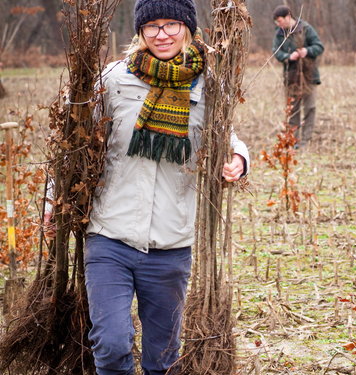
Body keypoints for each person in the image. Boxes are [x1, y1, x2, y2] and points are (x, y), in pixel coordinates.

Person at [83, 0, 250, 374]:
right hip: (110, 234)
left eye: (171, 24)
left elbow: (230, 138)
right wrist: (50, 202)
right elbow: (74, 147)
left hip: (171, 243)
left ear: (188, 29)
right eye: (152, 26)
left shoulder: (210, 84)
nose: (162, 34)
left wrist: (238, 160)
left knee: (162, 358)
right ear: (140, 32)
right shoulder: (114, 79)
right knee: (110, 345)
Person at [272, 5, 324, 148]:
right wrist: (289, 57)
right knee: (292, 109)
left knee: (310, 107)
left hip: (309, 76)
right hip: (291, 77)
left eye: (280, 20)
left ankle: (306, 141)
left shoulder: (306, 28)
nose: (278, 24)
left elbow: (319, 47)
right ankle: (294, 141)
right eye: (276, 22)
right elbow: (276, 52)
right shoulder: (279, 33)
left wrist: (307, 51)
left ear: (288, 17)